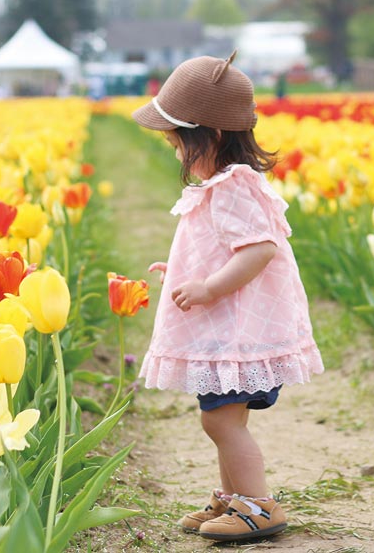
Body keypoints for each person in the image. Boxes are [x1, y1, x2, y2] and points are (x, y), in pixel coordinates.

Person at [131, 52, 323, 542]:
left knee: (221, 422)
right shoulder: (224, 186)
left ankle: (258, 506)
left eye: (179, 144)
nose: (177, 155)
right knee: (220, 418)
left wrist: (210, 287)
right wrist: (183, 272)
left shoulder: (235, 187)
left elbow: (259, 249)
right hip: (229, 334)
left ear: (212, 135)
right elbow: (221, 247)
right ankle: (234, 499)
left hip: (237, 334)